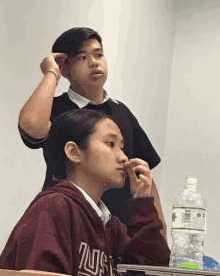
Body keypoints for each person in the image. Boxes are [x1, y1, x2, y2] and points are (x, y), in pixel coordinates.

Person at [18, 27, 167, 237]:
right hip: (67, 223)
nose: (94, 62)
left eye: (99, 54)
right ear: (65, 67)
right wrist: (51, 72)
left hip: (120, 233)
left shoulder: (122, 112)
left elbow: (144, 176)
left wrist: (160, 233)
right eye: (82, 57)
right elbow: (32, 129)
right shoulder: (58, 108)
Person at [0, 109, 170, 275]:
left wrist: (142, 204)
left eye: (122, 147)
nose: (124, 157)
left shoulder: (110, 225)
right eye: (110, 144)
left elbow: (151, 269)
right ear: (74, 152)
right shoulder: (53, 209)